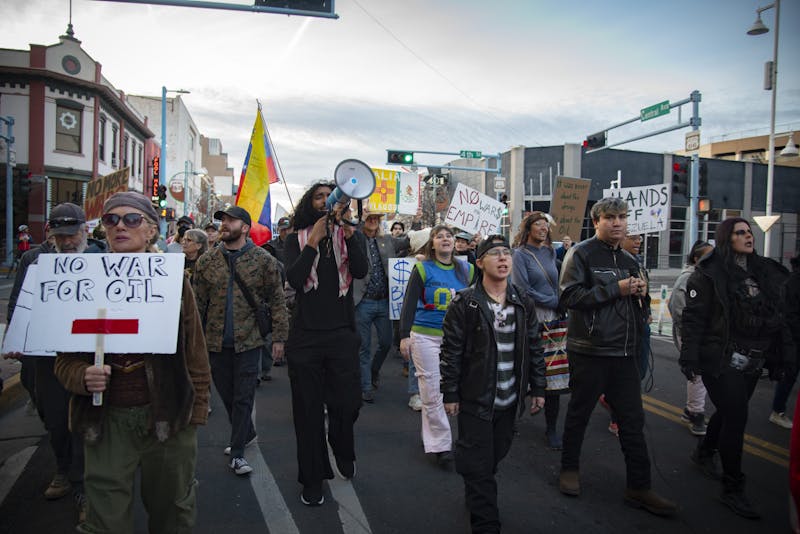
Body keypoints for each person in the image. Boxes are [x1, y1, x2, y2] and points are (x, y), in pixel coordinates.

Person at [54, 191, 211, 533]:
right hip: (105, 419)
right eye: (111, 219)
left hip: (169, 415)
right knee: (104, 519)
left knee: (172, 512)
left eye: (131, 219)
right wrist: (82, 376)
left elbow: (195, 353)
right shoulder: (83, 281)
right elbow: (64, 360)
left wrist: (197, 412)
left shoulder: (173, 282)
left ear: (151, 230)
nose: (120, 226)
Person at [558, 197, 676, 517]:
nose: (618, 223)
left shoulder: (629, 259)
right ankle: (569, 469)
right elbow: (569, 296)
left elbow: (638, 300)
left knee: (632, 422)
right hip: (591, 350)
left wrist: (641, 294)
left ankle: (639, 486)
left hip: (625, 353)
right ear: (596, 222)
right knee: (579, 414)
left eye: (622, 217)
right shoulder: (580, 253)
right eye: (610, 217)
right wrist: (617, 289)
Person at [680, 217, 793, 519]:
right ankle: (733, 488)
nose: (747, 236)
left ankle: (704, 452)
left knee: (731, 411)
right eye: (739, 232)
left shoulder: (764, 271)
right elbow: (694, 320)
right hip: (721, 358)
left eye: (749, 231)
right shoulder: (708, 274)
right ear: (726, 238)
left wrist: (784, 355)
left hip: (754, 360)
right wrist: (689, 358)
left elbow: (782, 313)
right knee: (737, 417)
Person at [4, 203, 104, 522]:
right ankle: (63, 467)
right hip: (45, 357)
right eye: (60, 236)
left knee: (86, 420)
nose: (67, 241)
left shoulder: (103, 258)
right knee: (56, 420)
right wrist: (15, 340)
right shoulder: (33, 259)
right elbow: (19, 301)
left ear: (84, 231)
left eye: (72, 234)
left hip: (88, 355)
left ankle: (83, 485)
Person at [441, 234, 545, 534]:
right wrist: (450, 392)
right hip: (476, 400)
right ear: (480, 262)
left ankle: (475, 479)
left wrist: (538, 387)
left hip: (510, 401)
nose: (503, 258)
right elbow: (451, 352)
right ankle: (486, 523)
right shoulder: (465, 303)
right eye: (495, 253)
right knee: (480, 465)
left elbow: (534, 346)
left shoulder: (523, 301)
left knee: (493, 458)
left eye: (506, 253)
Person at [284, 182, 368, 506]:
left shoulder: (349, 236)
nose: (326, 201)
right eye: (319, 197)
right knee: (307, 413)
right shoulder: (296, 239)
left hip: (342, 336)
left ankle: (342, 445)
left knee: (348, 404)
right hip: (306, 338)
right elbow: (294, 279)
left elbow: (361, 271)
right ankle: (313, 478)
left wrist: (349, 235)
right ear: (310, 204)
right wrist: (313, 242)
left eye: (330, 197)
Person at [193, 205, 288, 476]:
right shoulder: (207, 262)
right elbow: (197, 304)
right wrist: (193, 339)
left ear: (245, 227)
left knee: (244, 396)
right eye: (222, 220)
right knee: (227, 394)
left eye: (230, 220)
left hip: (249, 341)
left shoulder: (263, 260)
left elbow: (278, 300)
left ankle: (237, 454)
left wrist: (279, 338)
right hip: (214, 341)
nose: (224, 224)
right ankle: (246, 431)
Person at [399, 225, 476, 469]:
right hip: (426, 337)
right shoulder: (422, 268)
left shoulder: (468, 269)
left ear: (455, 242)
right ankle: (441, 446)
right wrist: (404, 336)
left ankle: (463, 440)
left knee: (464, 388)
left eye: (449, 236)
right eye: (439, 236)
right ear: (431, 244)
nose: (445, 239)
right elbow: (409, 303)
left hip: (459, 338)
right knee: (432, 390)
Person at [511, 211, 568, 450]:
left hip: (555, 322)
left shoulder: (550, 252)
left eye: (545, 224)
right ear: (528, 228)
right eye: (538, 224)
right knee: (526, 371)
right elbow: (522, 290)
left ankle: (551, 428)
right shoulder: (519, 255)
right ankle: (511, 418)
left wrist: (561, 302)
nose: (543, 228)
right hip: (532, 321)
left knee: (553, 377)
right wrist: (554, 301)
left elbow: (558, 281)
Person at [669, 239, 714, 436]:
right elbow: (677, 309)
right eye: (708, 256)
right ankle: (695, 412)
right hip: (690, 334)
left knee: (701, 374)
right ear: (697, 258)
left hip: (702, 334)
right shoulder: (688, 279)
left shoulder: (706, 277)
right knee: (697, 374)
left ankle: (691, 410)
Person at [353, 209, 397, 403]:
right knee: (363, 346)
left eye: (376, 219)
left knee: (387, 341)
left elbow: (412, 243)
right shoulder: (355, 239)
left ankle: (373, 371)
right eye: (369, 218)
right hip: (363, 301)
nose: (372, 221)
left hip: (384, 300)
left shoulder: (387, 240)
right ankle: (365, 387)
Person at [769, 254, 800, 430]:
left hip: (793, 337)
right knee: (789, 374)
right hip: (792, 339)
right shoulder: (793, 282)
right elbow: (789, 315)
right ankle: (777, 411)